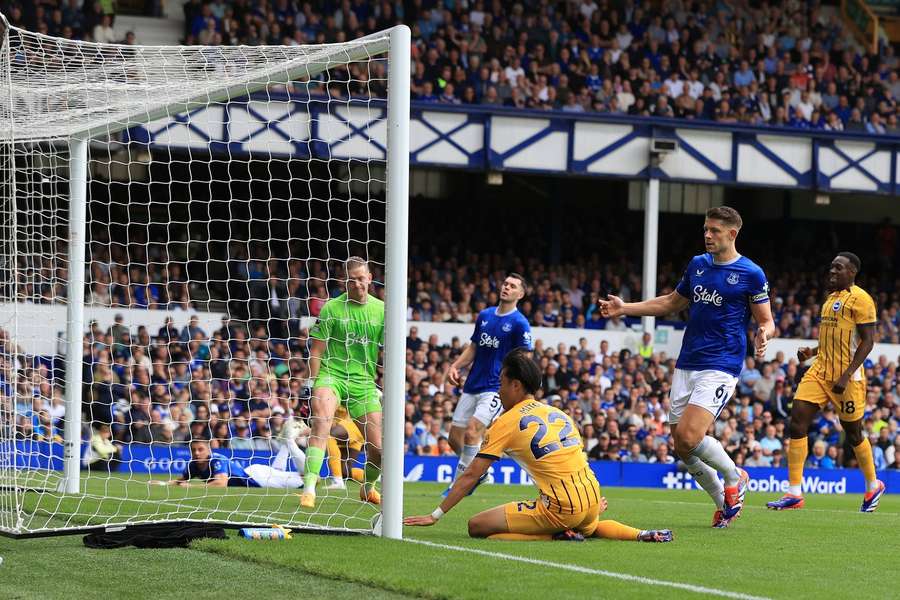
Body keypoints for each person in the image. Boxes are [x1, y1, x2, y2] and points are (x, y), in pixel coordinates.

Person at [600, 206, 775, 528]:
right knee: (681, 445)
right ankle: (723, 501)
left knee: (690, 434)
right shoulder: (698, 265)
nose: (707, 235)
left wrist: (764, 334)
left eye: (714, 231)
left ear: (732, 234)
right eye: (705, 229)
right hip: (688, 361)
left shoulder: (751, 273)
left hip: (722, 363)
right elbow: (671, 302)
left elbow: (766, 320)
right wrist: (625, 308)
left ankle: (734, 475)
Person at [404, 349, 672, 542]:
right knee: (590, 527)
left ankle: (554, 536)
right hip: (591, 497)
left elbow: (473, 474)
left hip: (562, 508)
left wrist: (436, 514)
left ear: (516, 385)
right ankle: (640, 534)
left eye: (502, 384)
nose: (499, 391)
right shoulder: (558, 412)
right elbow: (576, 457)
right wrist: (586, 499)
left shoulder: (506, 421)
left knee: (477, 526)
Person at [767, 252, 884, 512]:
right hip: (820, 372)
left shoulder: (862, 300)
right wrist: (812, 352)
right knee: (797, 421)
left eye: (838, 269)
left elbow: (867, 342)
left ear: (852, 272)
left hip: (848, 377)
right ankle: (794, 492)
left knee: (853, 434)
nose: (831, 272)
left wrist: (846, 374)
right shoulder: (830, 298)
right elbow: (831, 339)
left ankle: (873, 484)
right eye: (831, 268)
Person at [301, 257, 384, 508]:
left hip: (363, 382)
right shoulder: (331, 309)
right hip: (332, 375)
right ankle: (308, 489)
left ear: (369, 278)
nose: (357, 284)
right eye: (351, 279)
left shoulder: (382, 310)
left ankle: (367, 488)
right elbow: (316, 351)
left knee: (379, 449)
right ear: (343, 282)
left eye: (361, 278)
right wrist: (311, 384)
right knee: (321, 425)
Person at [442, 273, 533, 497]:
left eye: (512, 286)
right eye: (505, 284)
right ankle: (479, 472)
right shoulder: (485, 315)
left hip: (495, 386)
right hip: (473, 383)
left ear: (520, 294)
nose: (507, 288)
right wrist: (455, 366)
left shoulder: (520, 323)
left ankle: (459, 485)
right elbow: (473, 347)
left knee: (473, 431)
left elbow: (525, 357)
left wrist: (515, 387)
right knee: (454, 438)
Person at [155, 437, 304, 489]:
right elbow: (180, 481)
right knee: (279, 472)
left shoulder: (216, 460)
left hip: (257, 479)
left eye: (200, 449)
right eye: (193, 450)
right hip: (253, 472)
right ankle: (286, 444)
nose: (197, 453)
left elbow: (221, 483)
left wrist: (191, 486)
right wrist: (163, 484)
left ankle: (290, 441)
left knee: (305, 480)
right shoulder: (193, 465)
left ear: (208, 450)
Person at [324, 404, 366, 490]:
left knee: (329, 436)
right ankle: (373, 477)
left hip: (352, 423)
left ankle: (337, 481)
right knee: (345, 471)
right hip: (354, 429)